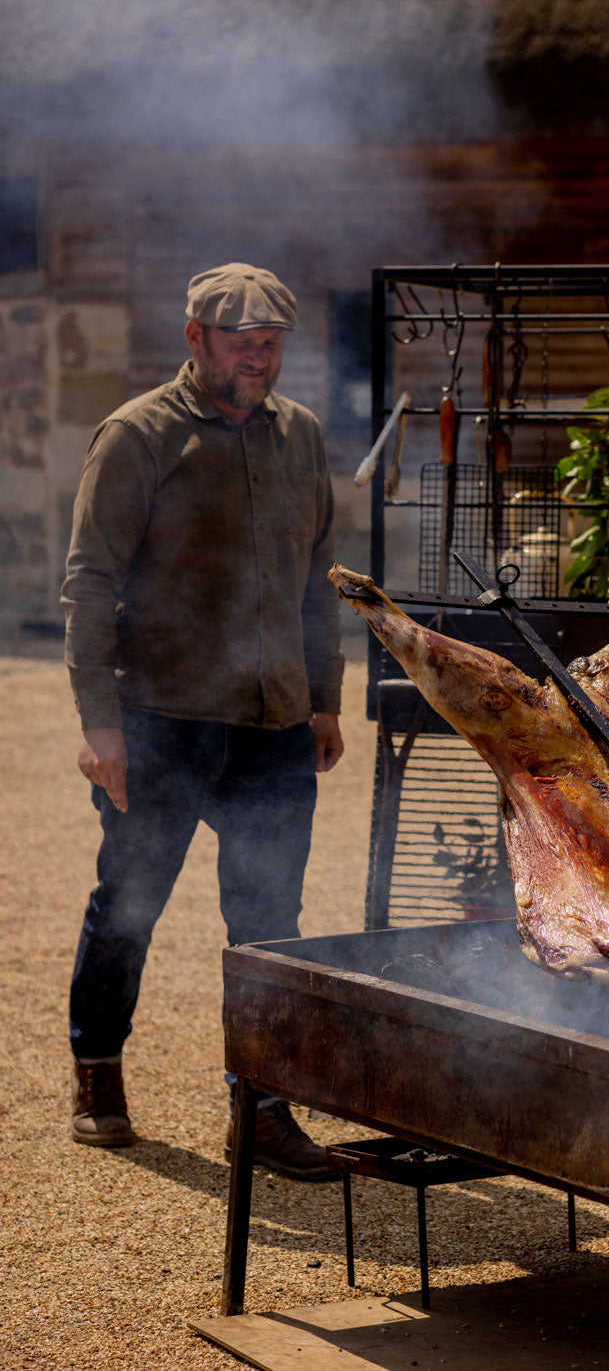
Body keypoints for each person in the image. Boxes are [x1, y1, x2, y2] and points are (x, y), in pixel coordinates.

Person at [61, 263, 345, 1180]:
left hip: (271, 727)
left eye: (271, 342)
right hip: (162, 718)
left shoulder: (299, 437)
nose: (257, 356)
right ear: (195, 338)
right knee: (129, 907)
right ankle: (98, 1069)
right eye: (239, 339)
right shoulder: (139, 435)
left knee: (269, 922)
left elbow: (317, 579)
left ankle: (262, 1108)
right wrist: (98, 721)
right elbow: (90, 582)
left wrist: (325, 696)